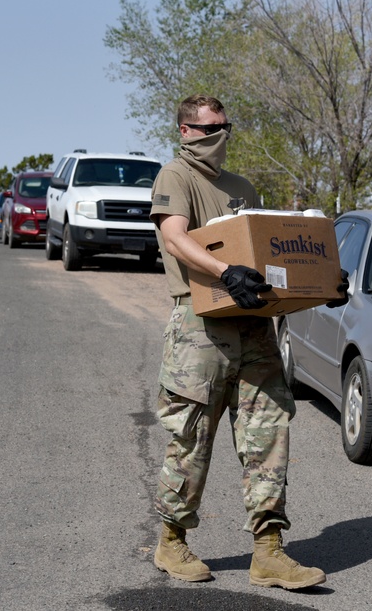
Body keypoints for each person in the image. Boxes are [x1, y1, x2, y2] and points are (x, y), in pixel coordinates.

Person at [149, 94, 339, 590]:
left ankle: (269, 552)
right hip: (201, 325)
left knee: (269, 434)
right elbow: (175, 237)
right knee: (191, 437)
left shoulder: (242, 188)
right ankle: (171, 541)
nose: (219, 138)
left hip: (254, 324)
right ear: (186, 132)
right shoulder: (176, 176)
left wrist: (319, 285)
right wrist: (223, 271)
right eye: (209, 130)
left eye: (224, 128)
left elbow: (267, 254)